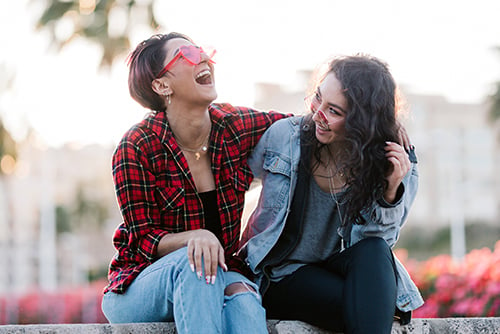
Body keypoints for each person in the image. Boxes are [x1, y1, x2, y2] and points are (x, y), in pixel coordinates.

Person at [101, 32, 288, 334]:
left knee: (244, 300)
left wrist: (380, 132)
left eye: (201, 51)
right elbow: (144, 239)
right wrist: (196, 236)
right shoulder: (137, 146)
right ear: (162, 85)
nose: (202, 58)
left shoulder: (232, 125)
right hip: (139, 285)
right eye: (185, 54)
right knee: (195, 263)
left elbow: (299, 128)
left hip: (217, 274)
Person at [239, 54, 424, 334]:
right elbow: (235, 182)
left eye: (334, 111)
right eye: (317, 98)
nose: (317, 114)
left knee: (374, 255)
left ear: (363, 122)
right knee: (370, 307)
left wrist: (389, 191)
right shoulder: (284, 138)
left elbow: (381, 244)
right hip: (282, 275)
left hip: (341, 271)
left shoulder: (395, 162)